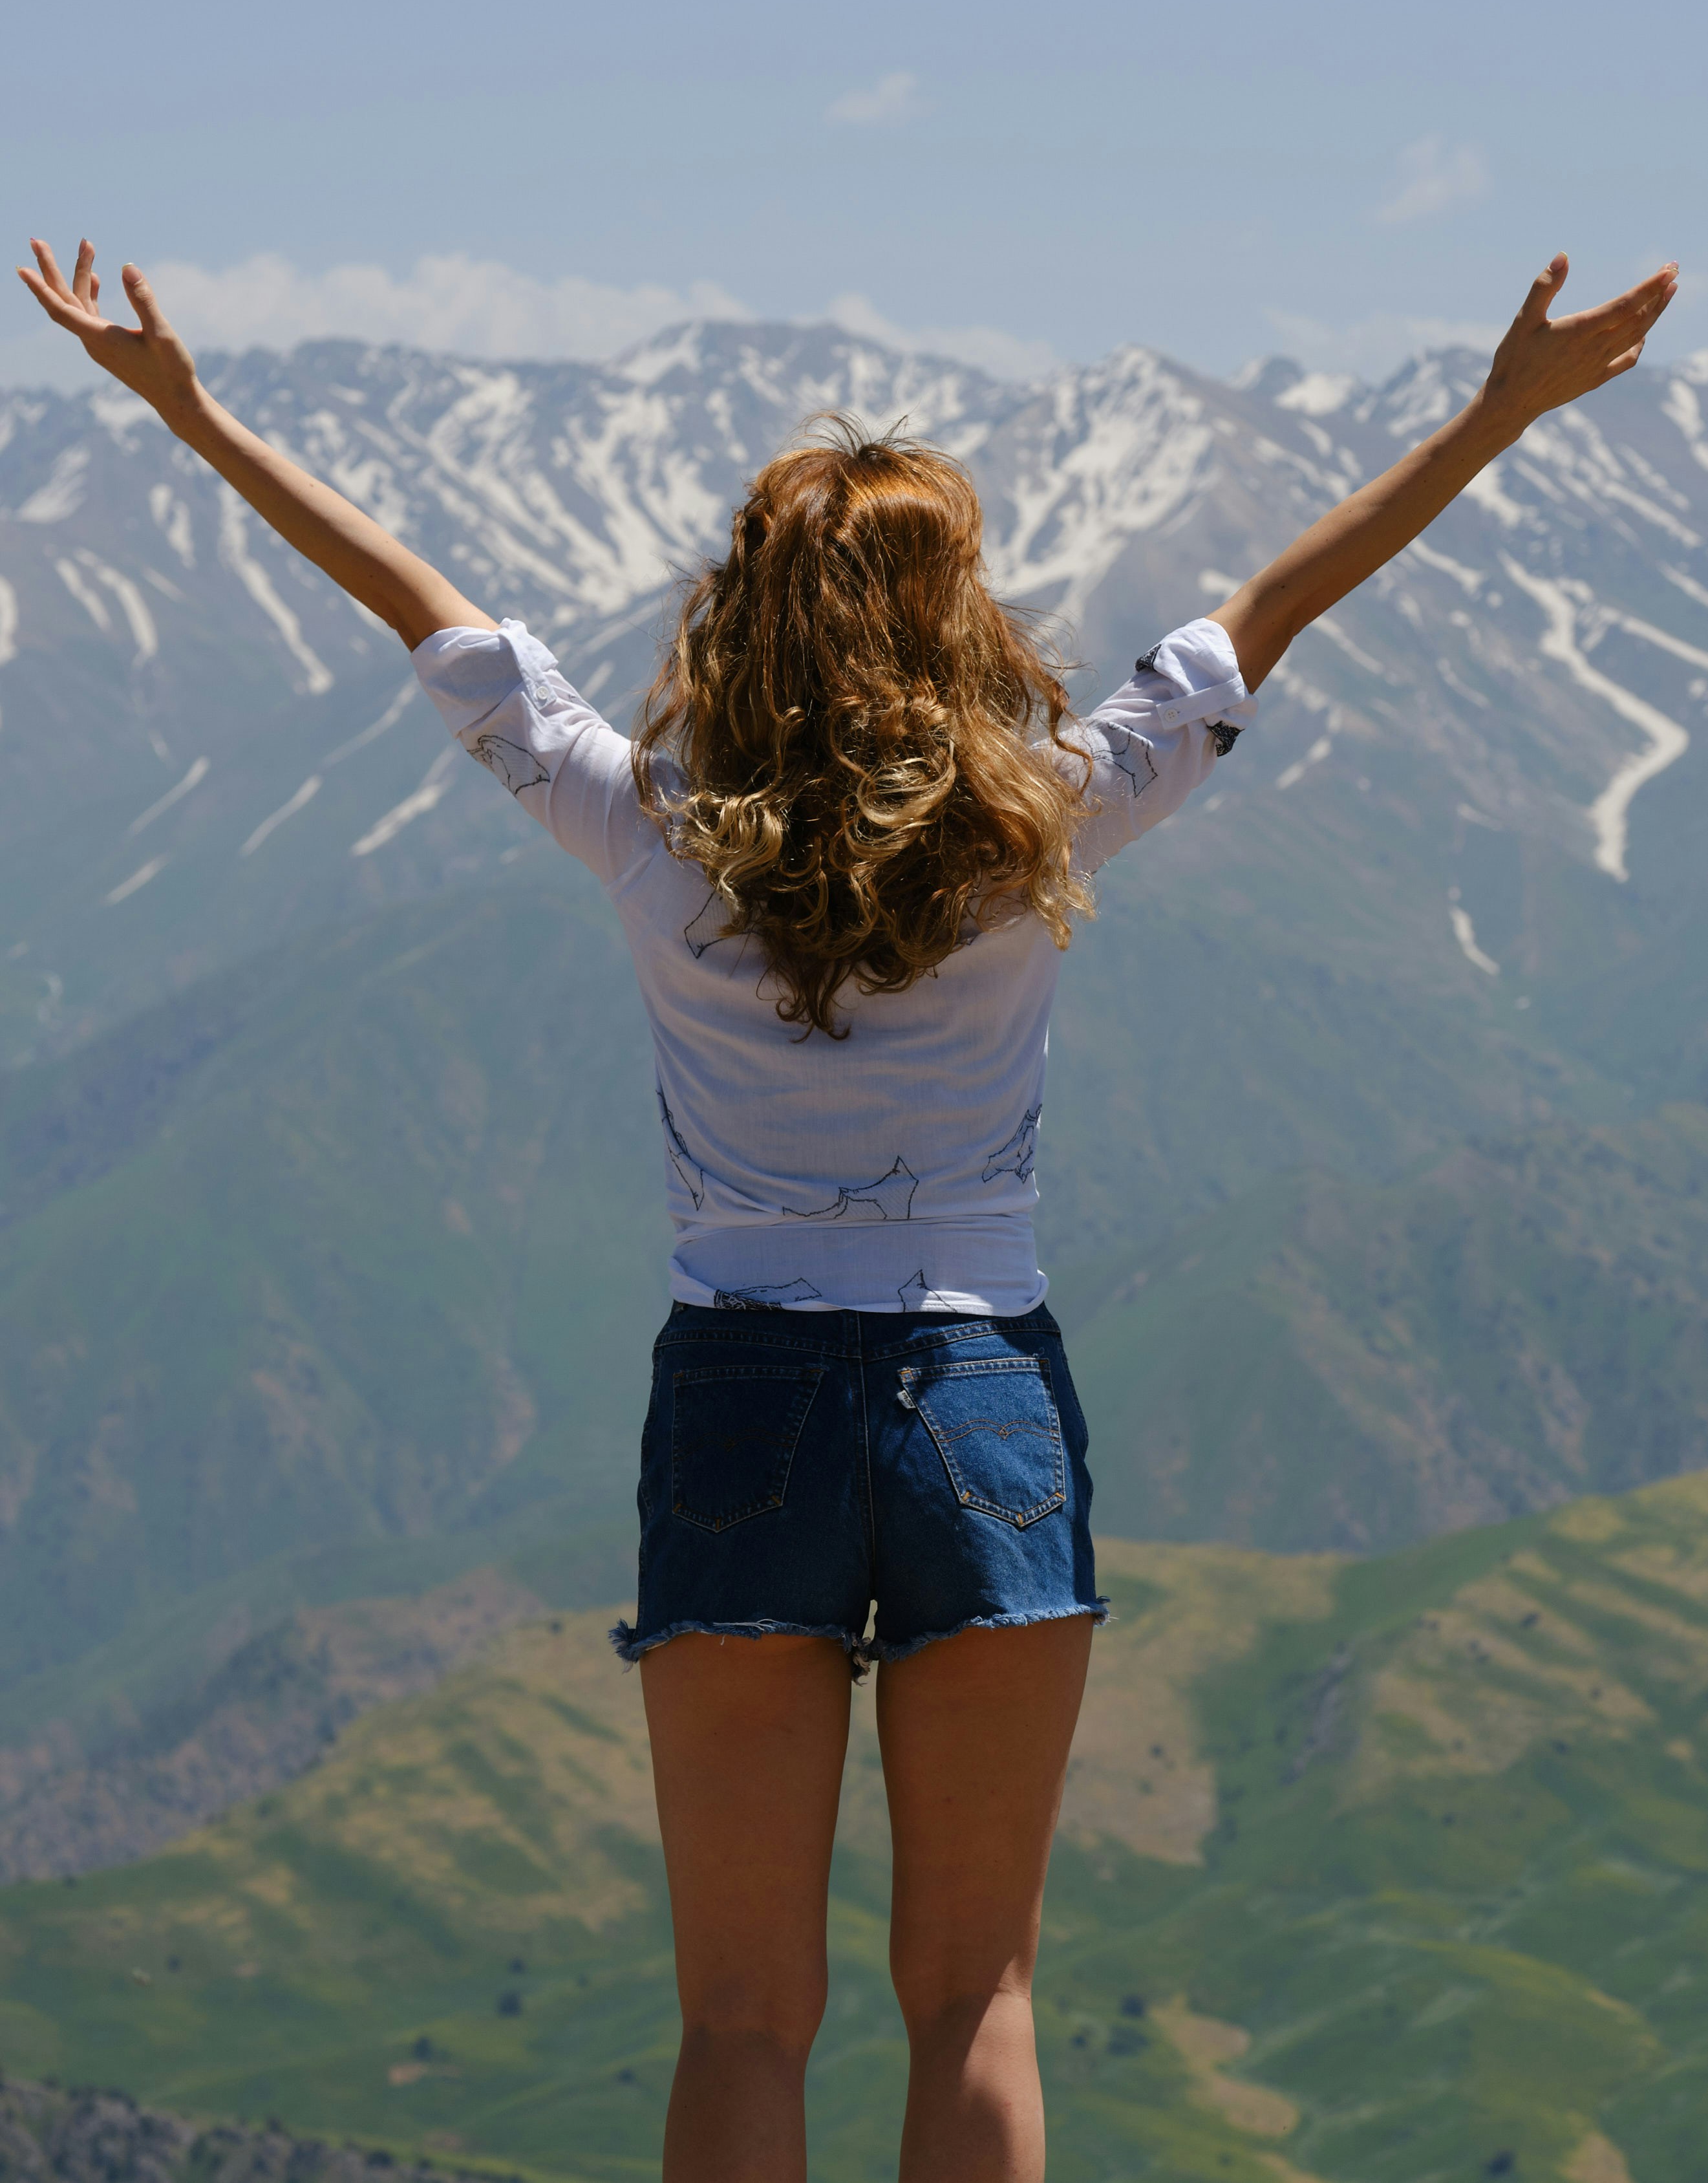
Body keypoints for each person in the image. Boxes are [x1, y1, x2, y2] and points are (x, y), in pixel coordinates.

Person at [18, 237, 1675, 2180]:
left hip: (738, 1398)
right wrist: (1494, 410)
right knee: (973, 1990)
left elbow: (427, 616)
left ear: (744, 623)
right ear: (955, 618)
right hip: (983, 1392)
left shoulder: (637, 823)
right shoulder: (1051, 809)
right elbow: (1266, 611)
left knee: (741, 2014)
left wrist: (193, 408)